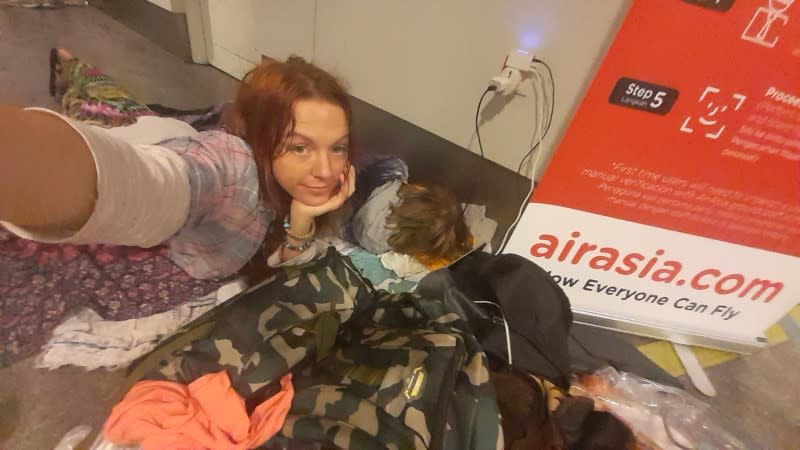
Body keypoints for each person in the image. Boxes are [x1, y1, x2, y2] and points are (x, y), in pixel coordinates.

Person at [0, 51, 357, 282]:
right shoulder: (229, 167)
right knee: (107, 114)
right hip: (152, 143)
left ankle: (82, 73)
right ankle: (72, 66)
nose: (326, 170)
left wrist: (301, 222)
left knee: (124, 106)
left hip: (172, 130)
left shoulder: (327, 180)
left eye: (337, 147)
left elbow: (287, 267)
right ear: (262, 139)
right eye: (299, 147)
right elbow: (151, 184)